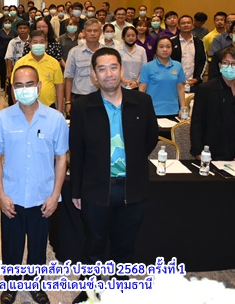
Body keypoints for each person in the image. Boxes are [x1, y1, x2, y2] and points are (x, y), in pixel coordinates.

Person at [69, 48, 158, 304]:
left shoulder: (142, 102)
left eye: (113, 67)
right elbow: (77, 151)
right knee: (94, 244)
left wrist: (132, 159)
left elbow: (150, 139)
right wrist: (76, 190)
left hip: (132, 186)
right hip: (96, 188)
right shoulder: (83, 107)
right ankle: (90, 291)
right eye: (102, 69)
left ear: (122, 69)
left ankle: (121, 288)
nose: (108, 74)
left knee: (125, 243)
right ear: (94, 74)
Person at [0, 65, 68, 304]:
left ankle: (35, 284)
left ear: (39, 86)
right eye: (18, 85)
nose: (24, 89)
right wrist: (1, 194)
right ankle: (11, 285)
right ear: (13, 89)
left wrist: (55, 195)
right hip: (13, 195)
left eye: (29, 84)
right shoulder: (2, 118)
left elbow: (62, 157)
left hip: (43, 196)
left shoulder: (55, 119)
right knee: (12, 245)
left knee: (39, 246)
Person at [191, 46, 235, 161]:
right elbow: (197, 123)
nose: (229, 67)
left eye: (234, 64)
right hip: (211, 153)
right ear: (219, 66)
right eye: (225, 63)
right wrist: (198, 151)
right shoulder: (205, 89)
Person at [12, 30, 65, 112]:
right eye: (35, 42)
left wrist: (60, 109)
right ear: (30, 44)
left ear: (46, 44)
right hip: (26, 107)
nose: (38, 45)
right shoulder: (21, 63)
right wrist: (18, 109)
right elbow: (14, 87)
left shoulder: (54, 62)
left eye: (41, 42)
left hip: (49, 107)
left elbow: (59, 87)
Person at [139, 36, 186, 118]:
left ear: (172, 49)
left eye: (168, 47)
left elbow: (180, 88)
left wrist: (183, 107)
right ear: (156, 50)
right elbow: (141, 90)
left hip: (173, 110)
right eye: (161, 47)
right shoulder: (147, 67)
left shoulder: (178, 66)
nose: (165, 49)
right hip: (153, 111)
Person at [64, 19, 102, 116]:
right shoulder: (74, 52)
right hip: (80, 97)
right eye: (89, 30)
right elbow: (69, 78)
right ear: (84, 32)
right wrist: (68, 101)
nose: (92, 33)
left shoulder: (107, 52)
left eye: (95, 30)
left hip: (103, 97)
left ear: (101, 32)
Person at [171, 15, 207, 92]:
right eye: (183, 23)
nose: (186, 25)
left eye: (188, 23)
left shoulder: (199, 42)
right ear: (178, 26)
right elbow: (167, 61)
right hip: (174, 82)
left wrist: (197, 78)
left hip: (194, 83)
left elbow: (203, 61)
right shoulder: (171, 42)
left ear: (192, 25)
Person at [0, 17, 17, 92]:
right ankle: (2, 86)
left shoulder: (14, 32)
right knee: (2, 70)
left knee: (10, 70)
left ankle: (10, 86)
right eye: (6, 23)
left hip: (11, 54)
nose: (7, 24)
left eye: (9, 23)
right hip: (2, 53)